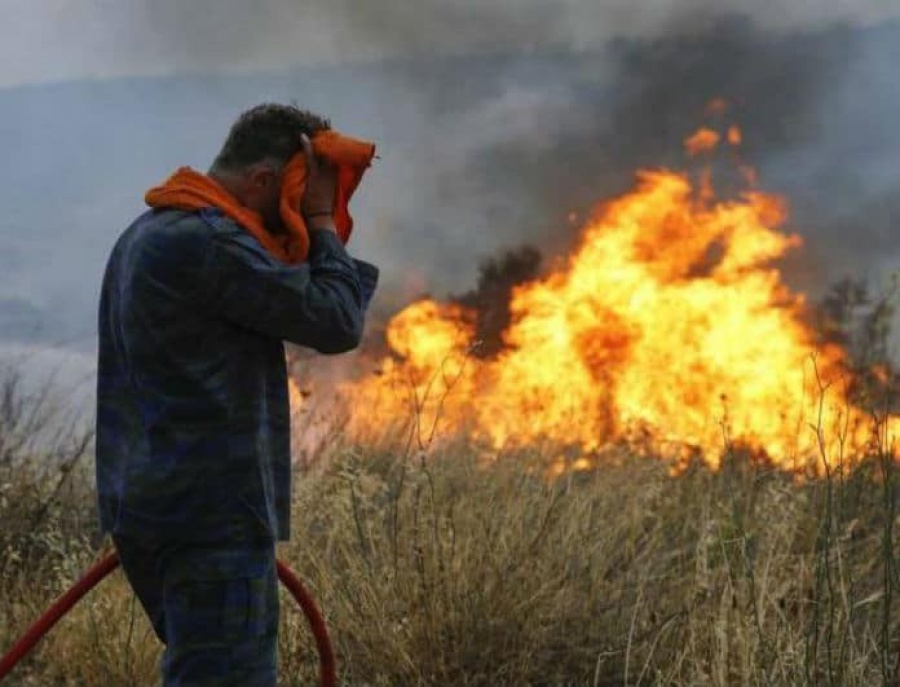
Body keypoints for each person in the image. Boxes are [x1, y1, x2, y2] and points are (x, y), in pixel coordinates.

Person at [95, 104, 378, 687]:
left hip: (167, 511)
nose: (299, 211)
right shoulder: (208, 242)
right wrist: (322, 221)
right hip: (211, 521)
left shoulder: (152, 230)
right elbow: (336, 321)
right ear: (264, 181)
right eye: (299, 193)